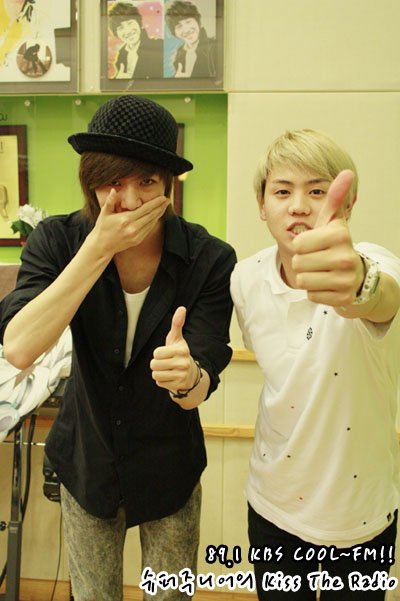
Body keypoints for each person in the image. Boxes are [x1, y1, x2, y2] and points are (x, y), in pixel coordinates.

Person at [0, 94, 236, 601]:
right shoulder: (57, 241)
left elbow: (204, 376)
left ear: (168, 186)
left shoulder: (209, 258)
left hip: (170, 465)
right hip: (87, 460)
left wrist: (187, 378)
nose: (129, 200)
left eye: (146, 181)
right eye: (112, 181)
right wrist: (98, 249)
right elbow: (19, 346)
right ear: (90, 180)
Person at [230, 129, 400, 600]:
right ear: (262, 204)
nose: (299, 206)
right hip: (274, 504)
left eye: (318, 191)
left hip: (361, 514)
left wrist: (359, 284)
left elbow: (381, 296)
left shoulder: (375, 262)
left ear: (348, 204)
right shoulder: (245, 279)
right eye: (283, 191)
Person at [108, 2, 163, 80]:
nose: (127, 31)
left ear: (139, 23)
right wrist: (118, 81)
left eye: (130, 23)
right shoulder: (122, 54)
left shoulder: (159, 46)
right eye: (120, 28)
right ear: (116, 34)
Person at [165, 0, 217, 78]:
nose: (186, 30)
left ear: (198, 21)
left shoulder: (215, 47)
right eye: (179, 26)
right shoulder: (179, 54)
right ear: (174, 33)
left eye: (188, 22)